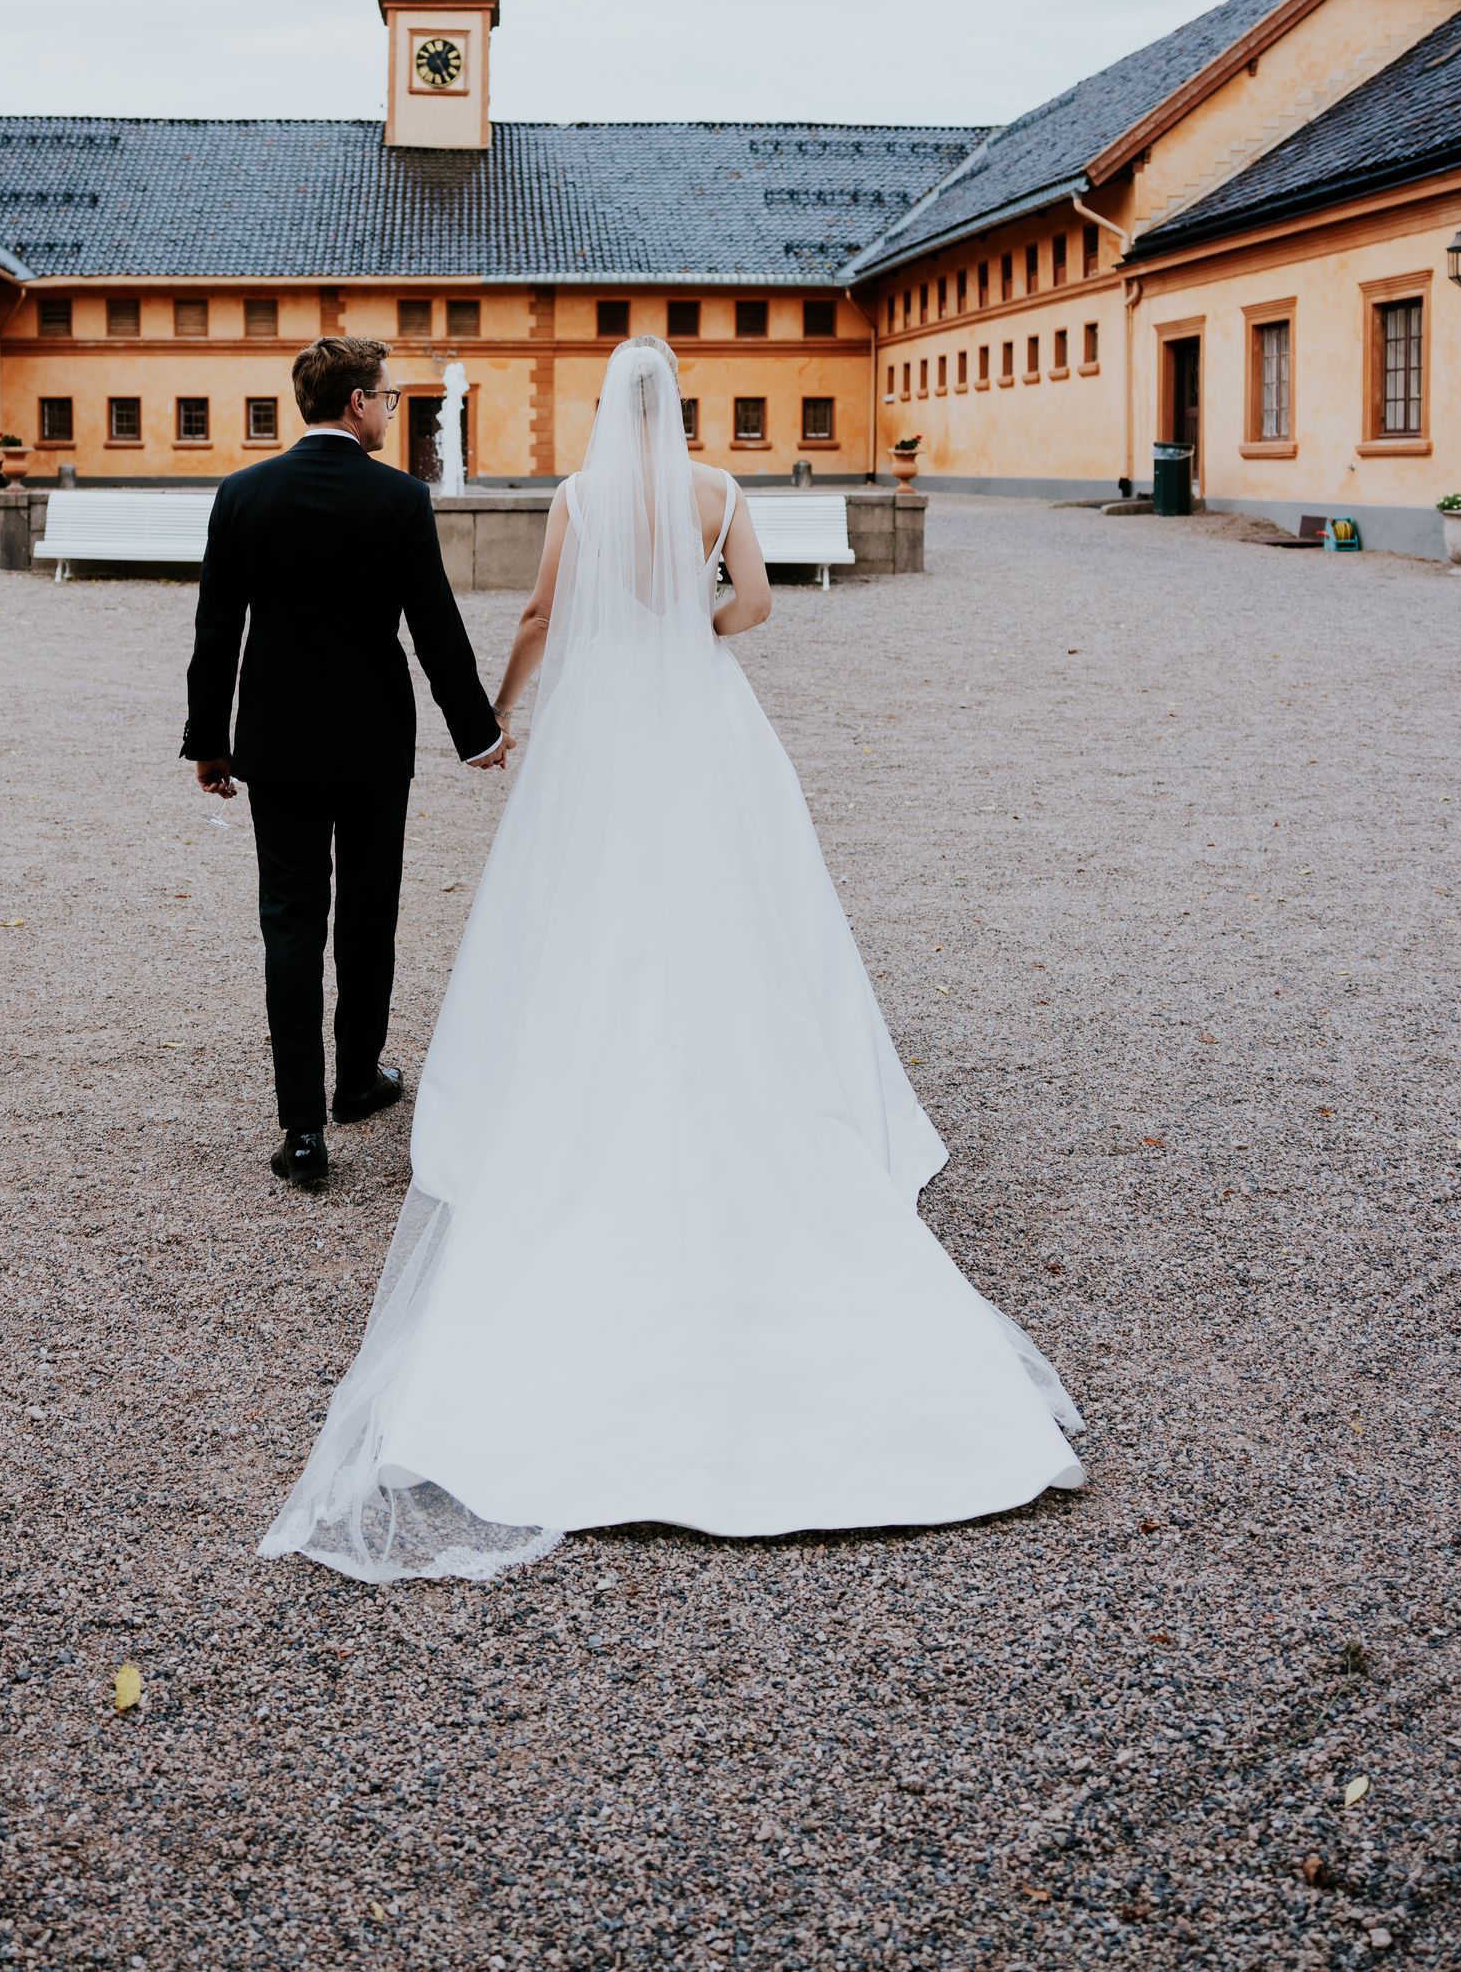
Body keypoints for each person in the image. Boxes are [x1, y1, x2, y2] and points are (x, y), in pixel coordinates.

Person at [261, 335, 1084, 1581]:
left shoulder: (585, 496)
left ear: (605, 411)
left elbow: (540, 609)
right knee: (737, 897)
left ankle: (584, 1085)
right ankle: (748, 1070)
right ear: (681, 406)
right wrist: (689, 626)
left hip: (601, 729)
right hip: (699, 718)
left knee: (585, 908)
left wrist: (509, 713)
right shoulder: (716, 492)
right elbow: (748, 604)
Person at [183, 335, 510, 1191]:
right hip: (371, 743)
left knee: (289, 922)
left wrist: (210, 741)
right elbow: (433, 625)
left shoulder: (243, 493)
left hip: (278, 744)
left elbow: (218, 629)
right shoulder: (398, 497)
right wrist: (477, 732)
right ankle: (357, 1081)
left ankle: (300, 1130)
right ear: (359, 402)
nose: (394, 408)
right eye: (391, 396)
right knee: (368, 915)